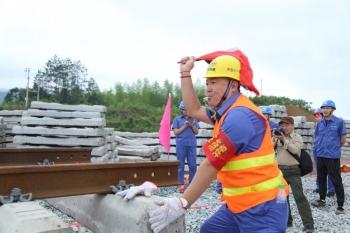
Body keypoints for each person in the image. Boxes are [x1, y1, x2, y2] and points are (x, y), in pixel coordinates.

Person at [118, 50, 289, 233]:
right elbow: (194, 109)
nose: (208, 87)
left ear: (233, 85)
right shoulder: (225, 112)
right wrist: (185, 73)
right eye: (207, 82)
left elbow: (210, 164)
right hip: (239, 206)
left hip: (264, 208)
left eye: (214, 82)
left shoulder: (240, 117)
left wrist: (182, 202)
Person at [274, 116, 314, 232]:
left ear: (292, 126)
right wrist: (274, 140)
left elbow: (295, 150)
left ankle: (309, 225)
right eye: (282, 125)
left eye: (286, 125)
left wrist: (284, 140)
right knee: (282, 198)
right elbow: (270, 150)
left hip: (293, 171)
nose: (284, 127)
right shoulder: (277, 136)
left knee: (299, 197)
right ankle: (287, 221)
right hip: (280, 172)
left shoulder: (297, 137)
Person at [311, 100, 347, 214]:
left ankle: (340, 206)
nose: (325, 110)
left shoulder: (339, 122)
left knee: (336, 180)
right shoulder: (319, 123)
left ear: (332, 109)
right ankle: (322, 199)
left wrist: (334, 147)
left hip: (332, 156)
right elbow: (317, 137)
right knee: (321, 179)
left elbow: (343, 140)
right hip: (320, 155)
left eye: (327, 108)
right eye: (323, 108)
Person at [172, 100, 200, 192]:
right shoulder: (177, 119)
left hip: (191, 145)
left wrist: (192, 125)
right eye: (185, 109)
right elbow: (176, 132)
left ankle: (192, 184)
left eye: (188, 109)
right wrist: (184, 126)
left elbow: (196, 132)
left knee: (192, 165)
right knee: (180, 165)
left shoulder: (194, 119)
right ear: (181, 110)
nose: (187, 111)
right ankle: (181, 185)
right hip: (181, 145)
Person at [312, 108, 335, 196]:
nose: (316, 117)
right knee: (319, 170)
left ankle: (331, 190)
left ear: (322, 115)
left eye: (318, 114)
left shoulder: (329, 125)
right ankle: (319, 187)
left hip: (328, 151)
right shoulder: (317, 125)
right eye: (315, 115)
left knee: (330, 170)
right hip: (317, 150)